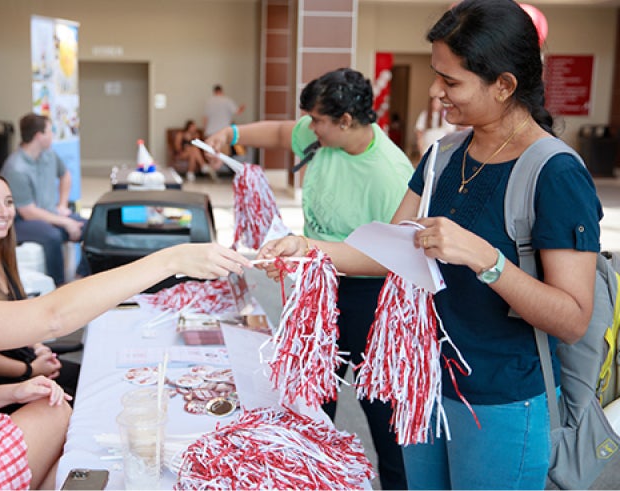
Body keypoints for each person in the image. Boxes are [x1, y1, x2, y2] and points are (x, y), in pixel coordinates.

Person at [258, 1, 602, 488]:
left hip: (499, 400)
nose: (437, 92)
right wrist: (308, 249)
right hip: (422, 386)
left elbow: (572, 318)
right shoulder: (443, 154)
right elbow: (392, 251)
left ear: (504, 85)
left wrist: (486, 259)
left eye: (452, 81)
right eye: (436, 74)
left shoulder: (555, 172)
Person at [0, 184, 250, 489]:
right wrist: (170, 259)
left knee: (55, 418)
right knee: (59, 416)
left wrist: (13, 392)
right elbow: (52, 318)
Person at [206, 67, 414, 490]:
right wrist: (230, 134)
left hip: (371, 295)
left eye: (318, 121)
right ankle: (311, 476)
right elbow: (284, 133)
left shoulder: (390, 174)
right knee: (310, 399)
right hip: (318, 288)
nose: (309, 128)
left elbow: (395, 257)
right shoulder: (323, 138)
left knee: (382, 413)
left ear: (346, 121)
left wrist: (312, 252)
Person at [0, 168, 80, 435]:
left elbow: (20, 314)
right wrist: (27, 369)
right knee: (74, 401)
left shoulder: (2, 254)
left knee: (90, 382)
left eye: (9, 202)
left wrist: (38, 348)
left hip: (21, 361)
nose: (5, 211)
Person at [1, 112, 89, 286]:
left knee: (91, 228)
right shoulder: (16, 168)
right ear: (39, 136)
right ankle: (59, 285)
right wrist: (65, 222)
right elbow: (28, 212)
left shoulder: (49, 155)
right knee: (52, 236)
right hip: (22, 222)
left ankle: (81, 277)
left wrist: (63, 205)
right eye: (50, 132)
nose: (52, 136)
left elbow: (65, 176)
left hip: (51, 214)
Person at [203, 84, 245, 160]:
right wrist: (242, 107)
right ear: (221, 91)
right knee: (224, 155)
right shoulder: (227, 100)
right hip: (223, 132)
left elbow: (205, 118)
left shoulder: (208, 102)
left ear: (214, 91)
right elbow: (238, 112)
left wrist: (205, 131)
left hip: (210, 132)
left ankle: (212, 170)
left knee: (212, 154)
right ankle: (219, 169)